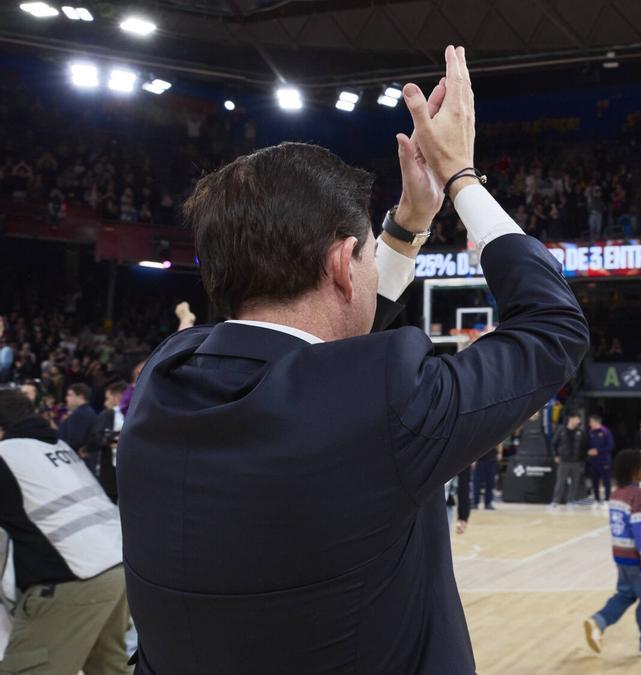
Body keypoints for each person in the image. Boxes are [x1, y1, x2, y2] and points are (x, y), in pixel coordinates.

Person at [117, 47, 589, 675]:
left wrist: (409, 224)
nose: (373, 269)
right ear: (344, 264)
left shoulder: (163, 378)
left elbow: (325, 348)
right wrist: (461, 178)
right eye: (367, 257)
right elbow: (554, 326)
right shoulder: (387, 404)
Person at [0, 388, 131, 675]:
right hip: (117, 568)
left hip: (74, 579)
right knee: (108, 667)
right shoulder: (57, 445)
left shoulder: (6, 456)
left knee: (28, 667)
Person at [583, 450, 641, 658]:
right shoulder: (637, 495)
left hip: (619, 554)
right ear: (634, 471)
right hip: (635, 556)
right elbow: (640, 531)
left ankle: (599, 621)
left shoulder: (616, 493)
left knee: (625, 594)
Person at [86, 381, 128, 503]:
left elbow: (97, 439)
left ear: (118, 397)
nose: (105, 403)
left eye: (107, 398)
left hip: (112, 476)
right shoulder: (141, 412)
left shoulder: (109, 414)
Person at [551, 411, 587, 507]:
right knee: (560, 482)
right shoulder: (561, 430)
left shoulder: (580, 432)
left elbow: (584, 447)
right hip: (564, 461)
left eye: (579, 419)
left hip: (576, 461)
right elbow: (554, 444)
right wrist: (556, 455)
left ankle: (570, 501)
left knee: (574, 483)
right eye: (577, 419)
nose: (578, 421)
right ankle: (556, 501)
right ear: (571, 418)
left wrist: (583, 460)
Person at [58, 383, 96, 464]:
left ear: (81, 397)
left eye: (69, 395)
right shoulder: (88, 412)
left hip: (77, 462)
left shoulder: (80, 414)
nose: (66, 398)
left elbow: (74, 441)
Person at [587, 413, 615, 505]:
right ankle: (596, 499)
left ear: (596, 422)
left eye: (591, 422)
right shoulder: (590, 432)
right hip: (593, 461)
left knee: (606, 481)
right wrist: (589, 451)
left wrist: (598, 451)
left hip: (604, 461)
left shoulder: (605, 431)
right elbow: (588, 446)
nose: (590, 424)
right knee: (594, 481)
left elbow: (610, 446)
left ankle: (607, 499)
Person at [473, 442, 502, 510]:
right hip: (479, 460)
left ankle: (488, 503)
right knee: (477, 482)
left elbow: (500, 441)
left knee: (490, 483)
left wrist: (500, 452)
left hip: (491, 459)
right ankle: (475, 502)